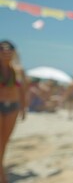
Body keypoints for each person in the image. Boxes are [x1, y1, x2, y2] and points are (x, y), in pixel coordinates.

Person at [0, 40, 27, 183]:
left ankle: (1, 168)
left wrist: (24, 108)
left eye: (9, 48)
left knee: (5, 141)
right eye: (2, 49)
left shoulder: (18, 70)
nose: (6, 51)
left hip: (13, 107)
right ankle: (2, 174)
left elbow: (23, 90)